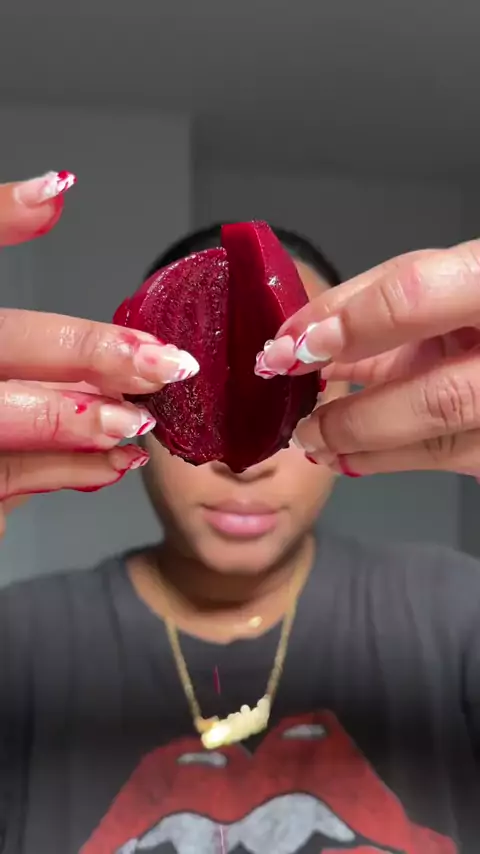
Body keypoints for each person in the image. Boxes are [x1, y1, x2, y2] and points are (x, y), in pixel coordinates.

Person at [1, 173, 480, 854]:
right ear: (132, 398)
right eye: (195, 388)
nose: (247, 463)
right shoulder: (19, 645)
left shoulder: (457, 615)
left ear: (354, 390)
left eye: (294, 392)